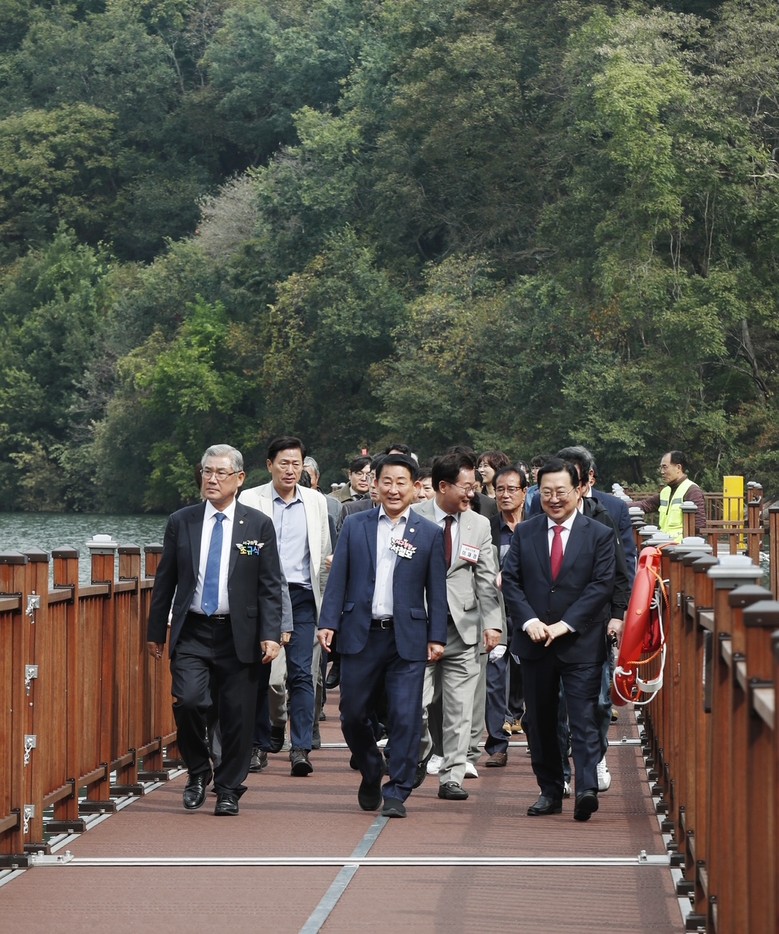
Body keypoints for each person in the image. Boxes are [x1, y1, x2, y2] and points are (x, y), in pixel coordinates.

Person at [146, 444, 283, 816]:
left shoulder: (258, 525)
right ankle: (197, 770)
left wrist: (271, 633)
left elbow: (270, 584)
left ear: (239, 479)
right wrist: (155, 632)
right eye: (206, 471)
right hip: (193, 630)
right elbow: (166, 579)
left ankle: (228, 788)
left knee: (237, 715)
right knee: (189, 701)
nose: (211, 479)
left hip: (240, 633)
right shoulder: (182, 521)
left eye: (221, 472)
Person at [317, 453, 448, 819]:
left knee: (406, 716)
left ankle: (398, 789)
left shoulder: (429, 533)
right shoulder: (355, 525)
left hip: (407, 637)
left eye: (401, 482)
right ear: (374, 484)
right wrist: (328, 622)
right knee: (352, 714)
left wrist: (437, 635)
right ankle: (371, 766)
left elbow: (437, 590)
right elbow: (339, 577)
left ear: (415, 487)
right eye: (386, 481)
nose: (393, 489)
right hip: (360, 634)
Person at [501, 458, 616, 822]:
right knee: (540, 721)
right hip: (535, 642)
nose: (553, 499)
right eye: (546, 491)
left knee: (584, 718)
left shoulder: (598, 534)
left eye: (561, 491)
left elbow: (601, 585)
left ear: (579, 490)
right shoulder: (526, 532)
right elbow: (511, 581)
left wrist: (566, 625)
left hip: (580, 642)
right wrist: (529, 621)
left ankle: (586, 789)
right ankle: (550, 790)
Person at [414, 451, 504, 800]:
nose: (472, 493)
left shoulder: (478, 524)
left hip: (463, 627)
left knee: (460, 709)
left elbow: (486, 578)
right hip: (421, 628)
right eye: (466, 487)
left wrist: (493, 623)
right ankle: (421, 753)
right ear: (442, 486)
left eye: (475, 486)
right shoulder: (413, 517)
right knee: (415, 705)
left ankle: (452, 776)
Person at [240, 436, 331, 777]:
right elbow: (243, 548)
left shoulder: (315, 502)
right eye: (284, 463)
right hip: (263, 596)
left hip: (303, 596)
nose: (290, 470)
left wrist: (327, 612)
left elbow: (322, 555)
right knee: (263, 674)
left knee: (302, 673)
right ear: (269, 465)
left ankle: (301, 747)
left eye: (296, 464)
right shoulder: (251, 499)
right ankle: (259, 742)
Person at [483, 465, 528, 767]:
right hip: (495, 613)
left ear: (524, 492)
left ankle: (536, 736)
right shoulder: (485, 528)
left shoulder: (537, 527)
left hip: (529, 615)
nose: (505, 495)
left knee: (529, 678)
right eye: (500, 489)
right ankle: (497, 744)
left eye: (512, 489)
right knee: (494, 680)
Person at [633, 450, 706, 541]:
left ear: (678, 467)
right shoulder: (666, 491)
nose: (662, 472)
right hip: (664, 543)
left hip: (682, 546)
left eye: (665, 467)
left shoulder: (692, 490)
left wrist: (692, 546)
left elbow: (699, 525)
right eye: (661, 468)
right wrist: (619, 505)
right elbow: (645, 505)